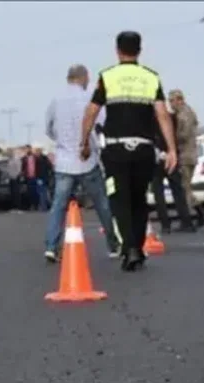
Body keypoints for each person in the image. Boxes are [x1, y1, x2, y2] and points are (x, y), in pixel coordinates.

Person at [81, 30, 177, 271]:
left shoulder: (107, 77)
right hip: (144, 148)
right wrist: (172, 149)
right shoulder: (151, 78)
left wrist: (83, 142)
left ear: (117, 50)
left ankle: (130, 248)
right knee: (139, 199)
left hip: (116, 149)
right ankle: (138, 246)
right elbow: (162, 114)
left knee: (119, 199)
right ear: (139, 51)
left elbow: (91, 112)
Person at [42, 63, 121, 262]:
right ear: (83, 78)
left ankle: (52, 246)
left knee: (58, 206)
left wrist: (61, 142)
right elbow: (103, 123)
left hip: (64, 161)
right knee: (102, 204)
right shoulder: (90, 98)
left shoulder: (55, 100)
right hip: (88, 161)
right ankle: (113, 244)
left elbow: (49, 129)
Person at [150, 107, 194, 235]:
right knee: (178, 191)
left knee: (159, 193)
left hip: (156, 158)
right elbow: (177, 135)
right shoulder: (172, 117)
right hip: (171, 156)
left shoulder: (148, 119)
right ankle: (186, 222)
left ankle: (165, 224)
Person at [169, 89, 204, 231]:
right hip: (188, 154)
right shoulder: (186, 113)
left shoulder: (184, 115)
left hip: (186, 155)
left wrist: (171, 139)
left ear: (180, 100)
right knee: (186, 187)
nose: (171, 104)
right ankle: (197, 214)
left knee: (184, 189)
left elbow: (183, 135)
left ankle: (197, 214)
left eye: (172, 101)